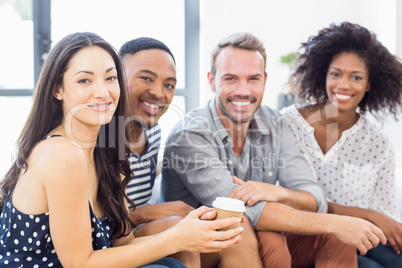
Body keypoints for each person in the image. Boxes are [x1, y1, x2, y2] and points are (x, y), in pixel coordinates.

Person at [0, 32, 244, 267]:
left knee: (186, 244)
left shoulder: (107, 151)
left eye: (110, 78)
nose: (103, 92)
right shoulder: (62, 154)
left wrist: (187, 233)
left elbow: (123, 242)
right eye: (85, 80)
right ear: (58, 90)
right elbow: (79, 263)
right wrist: (177, 237)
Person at [161, 32, 388, 268]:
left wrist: (279, 192)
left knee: (336, 240)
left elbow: (314, 196)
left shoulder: (275, 123)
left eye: (253, 79)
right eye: (230, 79)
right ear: (211, 80)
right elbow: (242, 211)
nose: (243, 90)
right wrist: (336, 223)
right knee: (280, 236)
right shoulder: (189, 135)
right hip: (207, 247)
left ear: (265, 80)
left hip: (253, 235)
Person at [119, 37, 261, 268]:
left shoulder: (153, 133)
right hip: (110, 239)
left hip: (137, 233)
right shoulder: (98, 138)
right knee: (179, 227)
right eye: (146, 78)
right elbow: (91, 221)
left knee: (235, 231)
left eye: (169, 85)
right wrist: (143, 213)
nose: (159, 92)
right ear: (116, 77)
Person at [280, 21, 402, 268]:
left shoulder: (378, 144)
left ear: (369, 84)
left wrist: (374, 220)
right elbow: (287, 200)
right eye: (336, 74)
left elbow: (386, 219)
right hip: (302, 236)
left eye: (356, 77)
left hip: (361, 239)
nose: (344, 85)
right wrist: (366, 215)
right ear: (323, 74)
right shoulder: (286, 125)